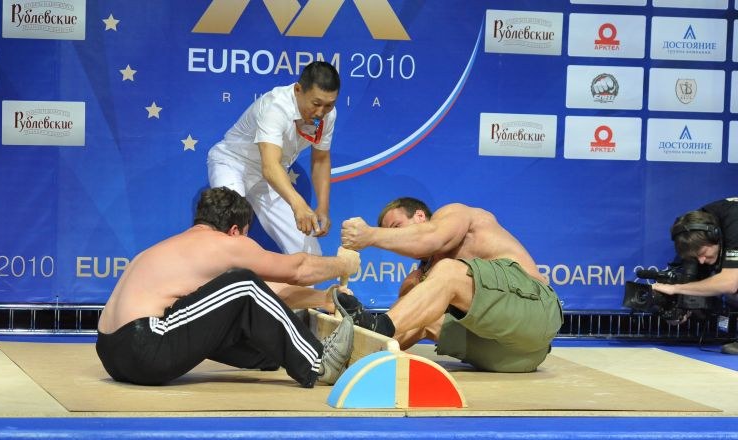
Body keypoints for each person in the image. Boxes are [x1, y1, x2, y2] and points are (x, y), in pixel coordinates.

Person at [96, 187, 360, 388]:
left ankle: (269, 356)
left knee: (237, 295)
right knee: (243, 282)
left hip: (111, 355)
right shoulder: (226, 244)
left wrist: (323, 298)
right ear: (235, 230)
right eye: (246, 234)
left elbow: (267, 294)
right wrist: (343, 264)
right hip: (145, 347)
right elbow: (297, 270)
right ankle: (318, 362)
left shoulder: (172, 249)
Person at [337, 197, 563, 373]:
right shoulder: (423, 275)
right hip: (515, 357)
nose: (393, 236)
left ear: (419, 216)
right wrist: (355, 338)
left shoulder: (454, 214)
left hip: (538, 313)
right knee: (423, 317)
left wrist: (370, 236)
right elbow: (410, 323)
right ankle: (354, 352)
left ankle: (376, 326)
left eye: (395, 226)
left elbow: (432, 238)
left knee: (447, 271)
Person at [207, 60, 340, 255]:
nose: (321, 112)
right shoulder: (275, 107)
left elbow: (320, 159)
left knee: (310, 253)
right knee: (231, 233)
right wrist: (298, 204)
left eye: (329, 105)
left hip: (272, 176)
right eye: (316, 103)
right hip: (233, 164)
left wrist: (322, 206)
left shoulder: (328, 115)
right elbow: (269, 166)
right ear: (298, 90)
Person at [652, 197, 738, 354]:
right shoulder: (695, 229)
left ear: (715, 235)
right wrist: (679, 309)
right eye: (696, 257)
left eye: (703, 253)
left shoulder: (734, 223)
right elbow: (693, 282)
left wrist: (677, 289)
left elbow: (729, 283)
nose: (702, 260)